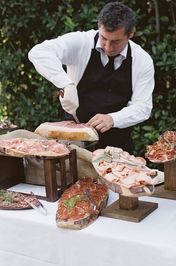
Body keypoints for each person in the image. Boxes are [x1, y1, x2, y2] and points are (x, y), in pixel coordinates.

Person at [28, 2, 155, 153]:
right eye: (103, 38)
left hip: (117, 144)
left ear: (130, 34)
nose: (108, 47)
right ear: (99, 27)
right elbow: (38, 52)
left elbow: (143, 107)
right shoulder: (81, 41)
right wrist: (66, 84)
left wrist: (113, 119)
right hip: (73, 140)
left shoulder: (142, 60)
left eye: (115, 41)